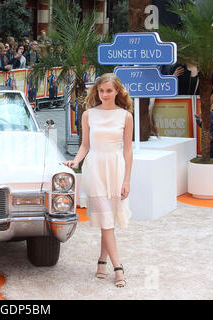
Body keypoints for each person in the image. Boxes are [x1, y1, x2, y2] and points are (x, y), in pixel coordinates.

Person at [63, 73, 133, 288]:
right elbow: (85, 145)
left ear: (117, 91)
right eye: (101, 91)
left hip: (115, 169)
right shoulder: (88, 114)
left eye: (109, 90)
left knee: (108, 219)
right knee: (106, 219)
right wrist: (75, 162)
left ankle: (101, 261)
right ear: (97, 92)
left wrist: (127, 180)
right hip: (95, 168)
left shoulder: (125, 116)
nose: (104, 94)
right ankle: (118, 267)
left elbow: (128, 151)